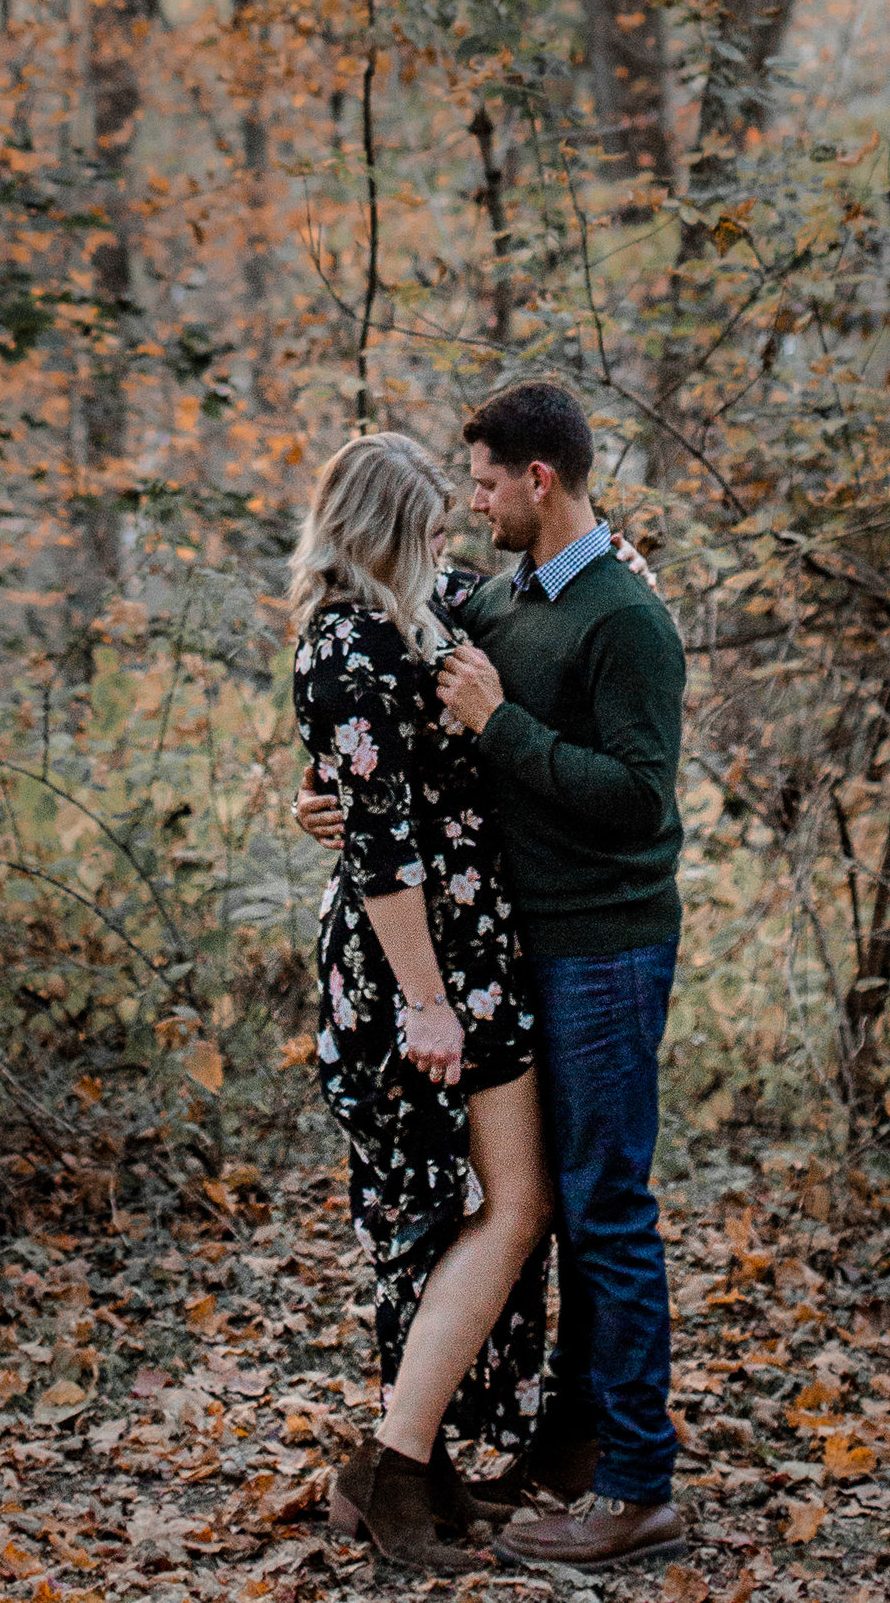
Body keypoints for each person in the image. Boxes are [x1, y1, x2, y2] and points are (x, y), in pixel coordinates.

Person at [299, 376, 690, 1572]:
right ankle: (561, 1456)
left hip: (600, 943)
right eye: (444, 495)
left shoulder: (620, 614)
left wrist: (498, 730)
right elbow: (380, 736)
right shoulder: (499, 599)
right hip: (509, 949)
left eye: (478, 484)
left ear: (537, 479)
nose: (465, 510)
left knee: (599, 1208)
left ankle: (632, 1483)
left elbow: (640, 803)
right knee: (554, 1208)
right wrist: (333, 799)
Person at [289, 430, 556, 1571]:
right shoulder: (343, 646)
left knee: (465, 1213)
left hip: (471, 947)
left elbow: (511, 593)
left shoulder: (422, 605)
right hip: (421, 962)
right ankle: (395, 1467)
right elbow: (384, 848)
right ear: (381, 531)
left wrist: (621, 566)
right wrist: (428, 1004)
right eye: (428, 525)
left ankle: (417, 1464)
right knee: (503, 1204)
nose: (446, 540)